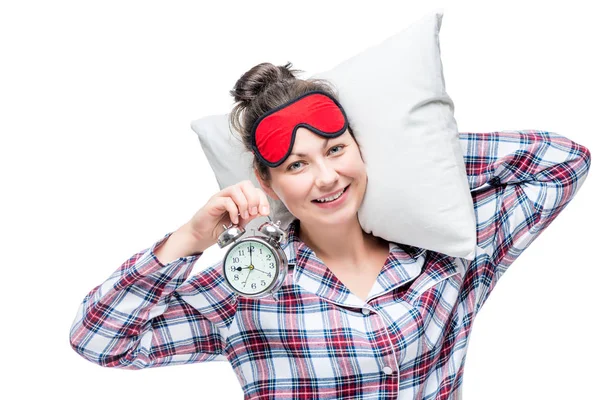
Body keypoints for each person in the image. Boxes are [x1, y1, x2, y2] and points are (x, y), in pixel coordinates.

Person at [69, 62, 592, 399]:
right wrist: (187, 239)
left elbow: (563, 163)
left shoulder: (449, 254)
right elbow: (99, 341)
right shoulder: (244, 289)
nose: (325, 178)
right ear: (266, 180)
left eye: (336, 149)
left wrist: (411, 151)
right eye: (296, 165)